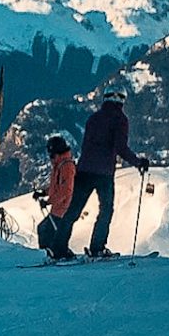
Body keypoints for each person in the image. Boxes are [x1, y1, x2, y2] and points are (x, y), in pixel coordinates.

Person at [46, 87, 148, 260]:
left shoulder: (93, 118)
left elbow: (87, 145)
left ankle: (58, 249)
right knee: (106, 210)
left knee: (73, 211)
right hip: (104, 173)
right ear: (122, 100)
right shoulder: (120, 119)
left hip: (84, 170)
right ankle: (97, 248)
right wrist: (138, 162)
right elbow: (120, 148)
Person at [33, 135, 76, 254]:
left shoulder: (66, 166)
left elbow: (66, 190)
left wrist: (48, 201)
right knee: (47, 230)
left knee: (46, 231)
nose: (50, 157)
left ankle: (54, 254)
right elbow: (57, 186)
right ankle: (56, 253)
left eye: (51, 154)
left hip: (63, 208)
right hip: (58, 208)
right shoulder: (60, 165)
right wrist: (43, 193)